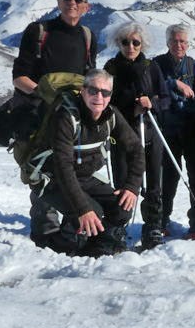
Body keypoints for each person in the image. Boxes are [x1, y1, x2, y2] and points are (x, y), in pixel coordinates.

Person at [5, 0, 99, 246]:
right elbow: (19, 77)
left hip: (72, 118)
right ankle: (45, 234)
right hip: (38, 116)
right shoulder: (39, 32)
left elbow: (89, 77)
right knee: (42, 171)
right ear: (58, 2)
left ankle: (71, 229)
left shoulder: (88, 37)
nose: (72, 2)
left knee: (74, 169)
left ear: (86, 7)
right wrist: (45, 96)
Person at [36, 69, 144, 256]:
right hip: (53, 180)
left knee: (122, 208)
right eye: (93, 90)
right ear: (83, 91)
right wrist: (83, 209)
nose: (99, 96)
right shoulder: (66, 117)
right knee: (91, 212)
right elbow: (63, 168)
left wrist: (132, 186)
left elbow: (136, 150)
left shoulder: (111, 115)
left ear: (110, 95)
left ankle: (96, 247)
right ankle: (61, 245)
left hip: (86, 177)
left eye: (105, 92)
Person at [154, 23, 195, 239]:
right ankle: (161, 220)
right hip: (167, 129)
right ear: (168, 42)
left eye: (182, 41)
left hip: (193, 128)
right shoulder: (157, 64)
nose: (179, 45)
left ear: (188, 44)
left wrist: (181, 106)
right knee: (168, 177)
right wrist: (175, 84)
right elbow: (152, 85)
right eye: (174, 40)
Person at [103, 23, 166, 250]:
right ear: (118, 43)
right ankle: (120, 225)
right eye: (125, 42)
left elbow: (165, 98)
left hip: (150, 131)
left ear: (143, 44)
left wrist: (152, 103)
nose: (130, 46)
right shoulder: (111, 69)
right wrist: (131, 110)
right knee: (123, 181)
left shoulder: (152, 67)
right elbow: (106, 103)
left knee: (153, 182)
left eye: (135, 42)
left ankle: (153, 225)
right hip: (122, 134)